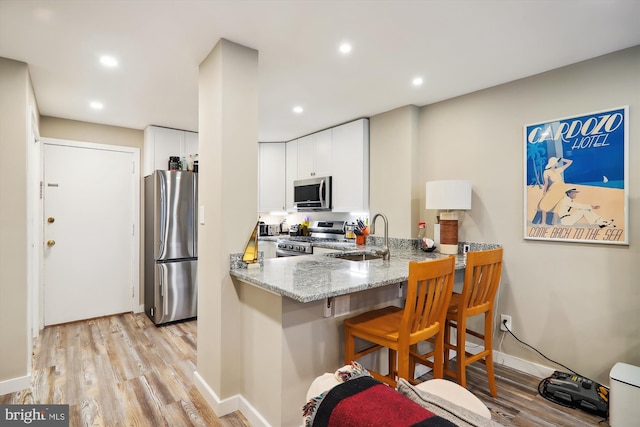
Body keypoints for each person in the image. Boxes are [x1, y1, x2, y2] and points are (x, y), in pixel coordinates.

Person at [532, 156, 573, 225]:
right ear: (553, 163)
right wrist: (544, 191)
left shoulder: (558, 170)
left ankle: (555, 224)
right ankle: (543, 223)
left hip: (561, 188)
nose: (557, 163)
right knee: (544, 204)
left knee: (557, 206)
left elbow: (570, 162)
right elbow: (546, 183)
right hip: (554, 189)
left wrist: (561, 159)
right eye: (556, 162)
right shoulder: (546, 172)